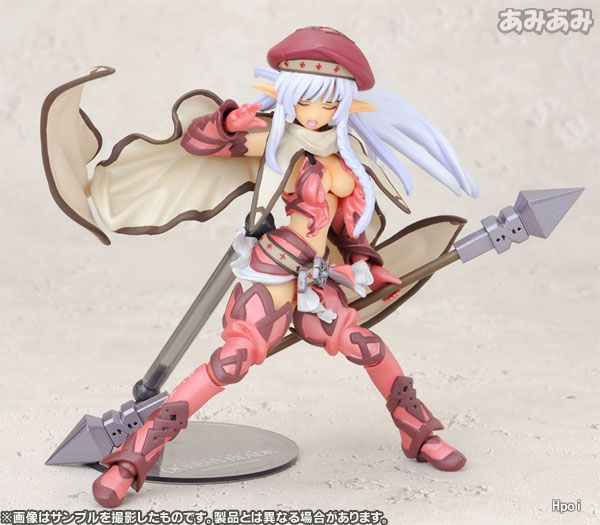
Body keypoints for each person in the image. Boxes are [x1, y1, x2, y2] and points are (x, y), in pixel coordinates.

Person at [40, 27, 478, 508]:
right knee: (230, 362)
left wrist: (364, 263)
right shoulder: (274, 141)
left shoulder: (344, 163)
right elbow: (200, 142)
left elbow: (343, 229)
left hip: (315, 281)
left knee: (367, 346)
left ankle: (418, 432)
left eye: (328, 102)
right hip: (272, 272)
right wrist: (228, 122)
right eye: (306, 101)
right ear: (288, 96)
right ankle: (133, 458)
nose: (316, 113)